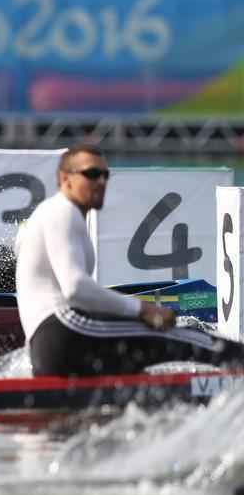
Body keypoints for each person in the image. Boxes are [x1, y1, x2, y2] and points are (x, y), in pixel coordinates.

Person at [15, 144, 244, 376]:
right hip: (65, 329)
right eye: (92, 174)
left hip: (47, 350)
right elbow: (76, 289)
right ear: (65, 179)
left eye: (105, 175)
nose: (101, 182)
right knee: (191, 337)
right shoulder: (63, 211)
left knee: (139, 373)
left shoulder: (47, 214)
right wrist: (142, 310)